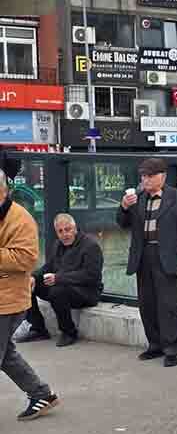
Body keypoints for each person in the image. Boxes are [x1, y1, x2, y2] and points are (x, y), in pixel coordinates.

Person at [117, 158, 177, 367]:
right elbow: (122, 223)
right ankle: (155, 345)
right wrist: (124, 207)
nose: (145, 180)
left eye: (150, 176)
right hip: (143, 256)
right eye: (143, 176)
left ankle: (173, 349)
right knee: (147, 303)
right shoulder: (138, 198)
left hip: (168, 256)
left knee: (168, 304)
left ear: (162, 176)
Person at [0, 169, 60, 420]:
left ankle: (41, 393)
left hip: (8, 301)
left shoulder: (21, 219)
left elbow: (26, 259)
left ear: (2, 191)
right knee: (5, 354)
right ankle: (41, 393)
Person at [17, 213, 103, 347]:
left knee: (57, 290)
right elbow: (48, 266)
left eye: (68, 230)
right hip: (62, 286)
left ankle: (69, 332)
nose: (65, 234)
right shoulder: (58, 244)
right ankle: (38, 328)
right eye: (60, 231)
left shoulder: (91, 246)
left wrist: (58, 278)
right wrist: (33, 277)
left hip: (87, 292)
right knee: (26, 284)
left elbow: (92, 276)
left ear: (75, 228)